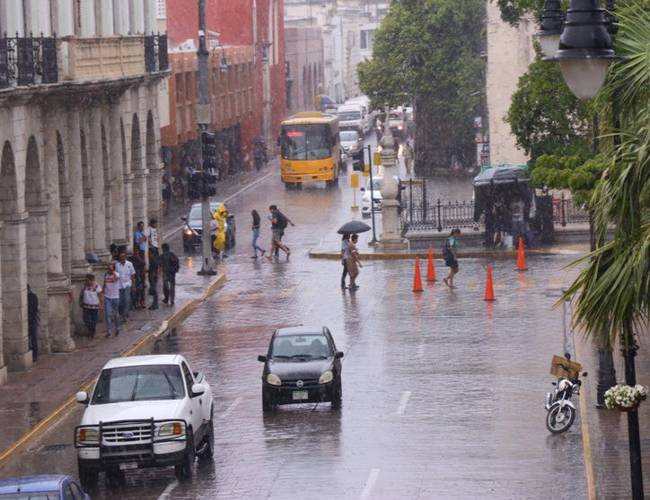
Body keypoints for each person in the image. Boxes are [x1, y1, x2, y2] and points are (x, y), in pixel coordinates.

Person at [80, 274, 102, 338]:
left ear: (91, 280)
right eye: (86, 280)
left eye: (87, 280)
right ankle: (91, 329)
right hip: (86, 306)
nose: (86, 282)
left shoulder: (97, 286)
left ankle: (92, 332)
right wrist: (81, 302)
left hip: (94, 306)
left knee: (94, 320)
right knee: (85, 319)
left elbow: (100, 296)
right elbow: (81, 295)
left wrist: (101, 305)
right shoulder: (84, 286)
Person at [115, 252, 135, 322]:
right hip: (119, 285)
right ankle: (122, 313)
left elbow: (132, 275)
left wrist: (133, 285)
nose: (122, 258)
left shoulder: (129, 264)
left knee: (126, 300)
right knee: (120, 301)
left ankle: (125, 315)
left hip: (127, 284)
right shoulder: (117, 265)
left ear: (125, 257)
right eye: (121, 257)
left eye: (123, 257)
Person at [103, 263, 121, 337]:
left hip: (115, 297)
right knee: (107, 314)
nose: (109, 270)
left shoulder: (117, 274)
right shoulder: (106, 275)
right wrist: (103, 289)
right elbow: (104, 283)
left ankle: (117, 328)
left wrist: (112, 272)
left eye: (111, 269)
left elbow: (115, 279)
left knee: (115, 314)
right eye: (108, 269)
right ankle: (109, 331)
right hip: (107, 296)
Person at [27, 285, 38, 362]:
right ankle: (33, 355)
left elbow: (33, 309)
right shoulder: (33, 296)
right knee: (31, 339)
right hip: (30, 320)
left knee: (33, 338)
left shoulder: (33, 297)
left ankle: (34, 355)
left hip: (32, 320)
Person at [148, 246, 160, 310]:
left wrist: (153, 277)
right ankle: (154, 304)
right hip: (153, 276)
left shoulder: (153, 260)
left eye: (149, 253)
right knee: (154, 291)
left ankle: (155, 304)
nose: (148, 254)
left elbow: (155, 270)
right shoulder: (154, 259)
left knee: (154, 291)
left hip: (153, 277)